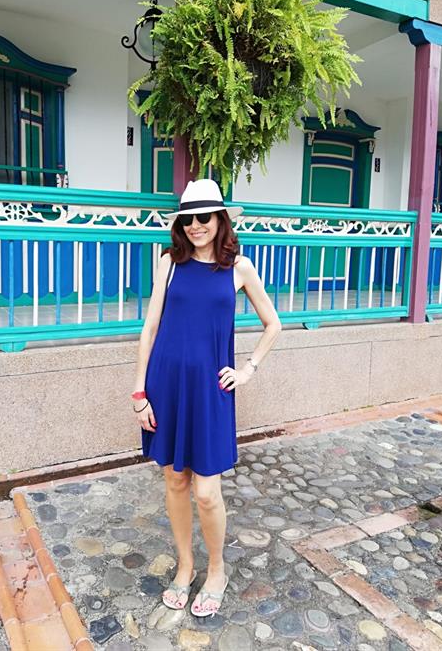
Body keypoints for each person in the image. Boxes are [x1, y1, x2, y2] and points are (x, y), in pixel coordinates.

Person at [131, 178, 281, 617]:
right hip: (165, 386)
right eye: (188, 219)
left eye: (204, 217)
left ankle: (217, 570)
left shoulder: (239, 268)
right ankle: (185, 566)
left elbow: (273, 324)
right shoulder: (169, 264)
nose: (196, 225)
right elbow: (150, 329)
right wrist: (139, 391)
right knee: (175, 480)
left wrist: (248, 369)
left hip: (210, 391)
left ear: (220, 220)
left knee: (207, 492)